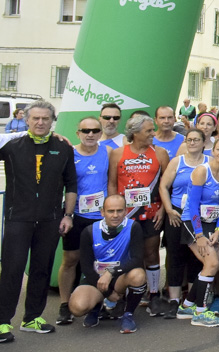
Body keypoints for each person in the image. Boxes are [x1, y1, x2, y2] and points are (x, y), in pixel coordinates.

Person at [0, 101, 77, 342]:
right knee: (12, 271)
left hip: (51, 219)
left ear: (52, 120)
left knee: (41, 270)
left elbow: (71, 184)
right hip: (18, 219)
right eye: (36, 119)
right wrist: (21, 133)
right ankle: (3, 322)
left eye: (45, 119)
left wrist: (68, 215)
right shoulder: (12, 146)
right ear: (26, 120)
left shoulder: (63, 147)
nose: (40, 123)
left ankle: (32, 317)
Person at [107, 115, 170, 314]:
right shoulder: (118, 154)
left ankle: (153, 295)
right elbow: (112, 184)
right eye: (149, 131)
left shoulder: (160, 153)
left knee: (151, 253)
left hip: (152, 213)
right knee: (124, 254)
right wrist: (113, 210)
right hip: (126, 214)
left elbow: (165, 184)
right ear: (135, 133)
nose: (153, 134)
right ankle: (121, 296)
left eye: (153, 130)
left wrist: (162, 208)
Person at [57, 116, 111, 326]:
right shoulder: (69, 153)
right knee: (70, 260)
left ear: (100, 133)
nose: (90, 134)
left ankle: (101, 302)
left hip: (101, 217)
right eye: (85, 131)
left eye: (95, 130)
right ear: (77, 132)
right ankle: (64, 304)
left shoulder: (107, 152)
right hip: (76, 216)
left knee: (103, 262)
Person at [68, 194, 147, 333]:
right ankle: (96, 306)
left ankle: (128, 314)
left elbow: (137, 259)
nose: (115, 215)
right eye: (111, 211)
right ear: (102, 212)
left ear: (126, 211)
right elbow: (86, 267)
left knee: (139, 275)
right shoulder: (89, 231)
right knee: (77, 307)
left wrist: (111, 272)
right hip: (97, 279)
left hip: (120, 277)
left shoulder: (134, 227)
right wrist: (108, 292)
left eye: (119, 210)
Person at [176, 135, 219, 327]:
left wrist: (218, 230)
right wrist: (199, 235)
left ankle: (187, 306)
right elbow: (192, 205)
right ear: (213, 150)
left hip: (213, 223)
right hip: (193, 222)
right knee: (212, 263)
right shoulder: (202, 171)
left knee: (213, 266)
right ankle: (200, 313)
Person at [157, 128, 207, 315]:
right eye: (189, 140)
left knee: (196, 258)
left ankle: (191, 299)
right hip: (177, 214)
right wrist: (169, 209)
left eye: (196, 140)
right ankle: (174, 300)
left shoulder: (209, 162)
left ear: (204, 143)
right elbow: (163, 186)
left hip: (199, 215)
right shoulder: (177, 162)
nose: (192, 143)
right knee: (175, 256)